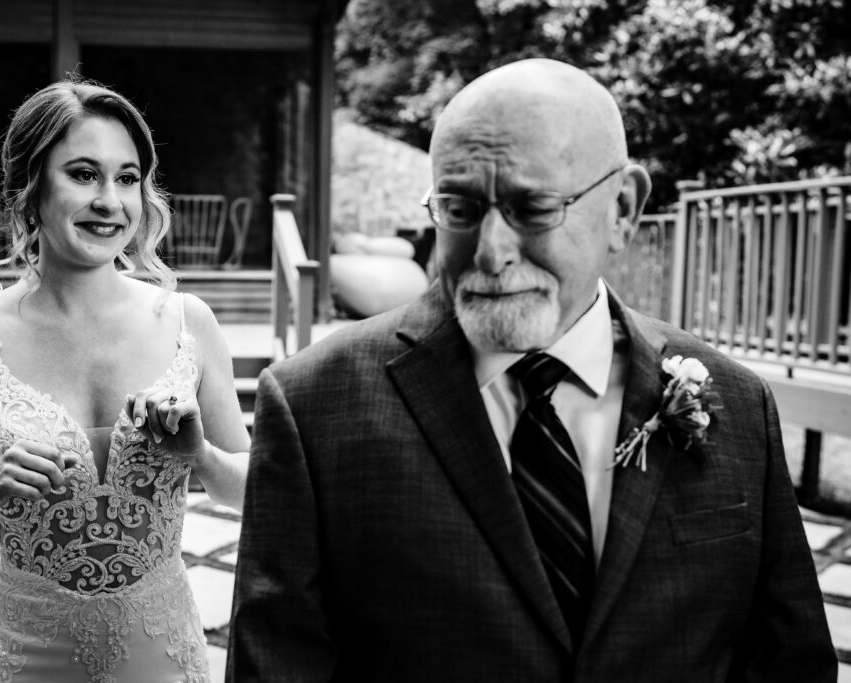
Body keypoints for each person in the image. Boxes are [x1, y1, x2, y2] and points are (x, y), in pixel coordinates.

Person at [227, 59, 835, 681]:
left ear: (623, 209)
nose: (491, 252)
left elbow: (788, 662)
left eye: (532, 207)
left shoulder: (737, 401)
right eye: (459, 208)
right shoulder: (312, 405)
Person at [0, 78, 250, 683]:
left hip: (161, 652)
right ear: (31, 189)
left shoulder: (188, 323)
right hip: (25, 652)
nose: (110, 200)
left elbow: (255, 491)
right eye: (84, 174)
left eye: (128, 177)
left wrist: (201, 457)